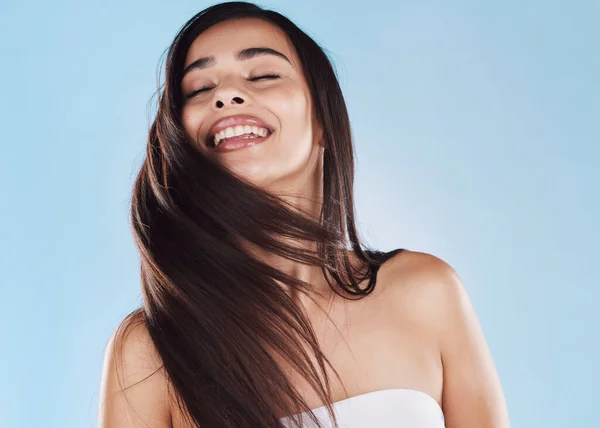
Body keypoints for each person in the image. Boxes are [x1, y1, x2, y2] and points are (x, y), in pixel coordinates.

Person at [98, 2, 510, 427]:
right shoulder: (150, 352)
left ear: (323, 124)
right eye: (199, 89)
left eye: (263, 75)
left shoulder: (426, 292)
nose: (225, 94)